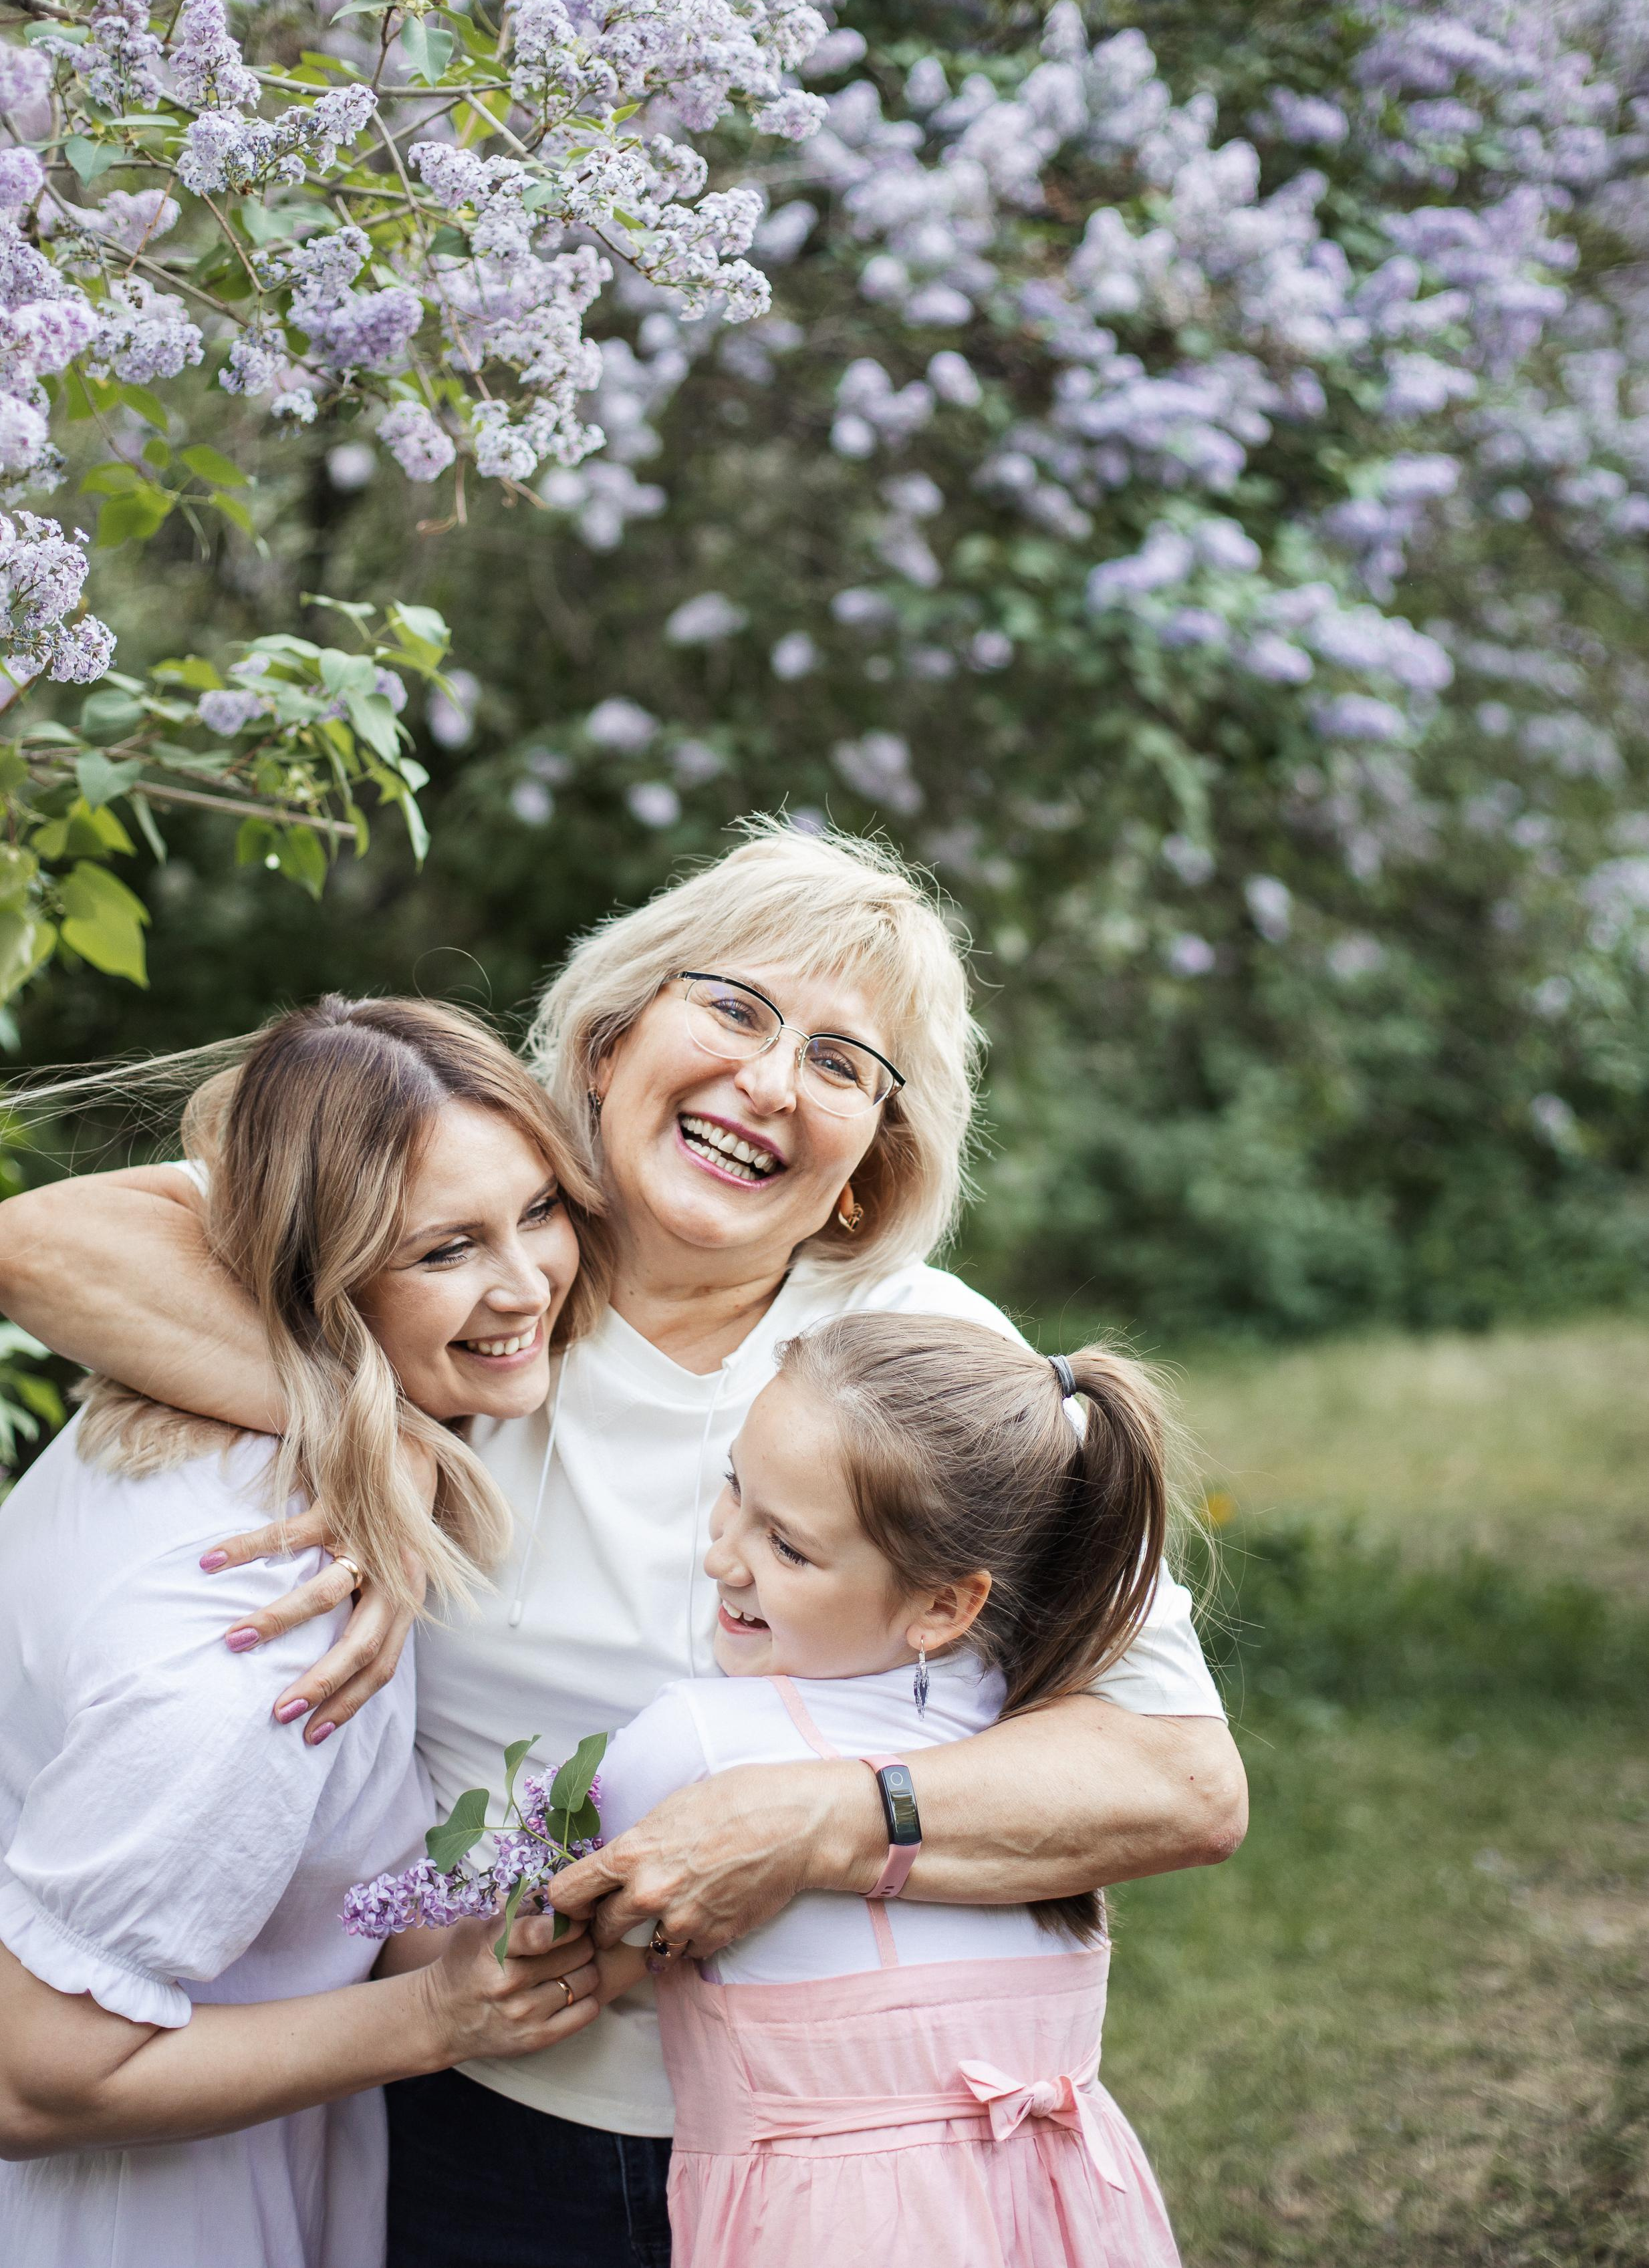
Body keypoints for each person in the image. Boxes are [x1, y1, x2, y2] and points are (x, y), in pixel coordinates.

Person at [0, 823, 1246, 2268]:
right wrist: (376, 1436)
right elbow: (45, 1243)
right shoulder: (470, 1279)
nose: (772, 1080)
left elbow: (1174, 1778)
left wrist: (823, 1817)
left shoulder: (919, 1358)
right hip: (472, 2110)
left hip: (846, 2131)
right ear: (604, 1044)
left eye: (844, 1063)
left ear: (867, 1161)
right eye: (733, 1006)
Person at [0, 998, 616, 2268]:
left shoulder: (207, 1415)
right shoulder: (272, 1639)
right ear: (307, 1270)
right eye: (446, 1249)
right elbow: (31, 2080)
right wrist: (441, 2015)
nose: (525, 1286)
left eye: (541, 1211)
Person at [565, 1311, 1187, 2267]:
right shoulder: (1042, 1733)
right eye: (735, 1489)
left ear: (944, 1604)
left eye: (788, 1548)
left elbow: (571, 1948)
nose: (722, 1555)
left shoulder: (693, 1744)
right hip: (1077, 2213)